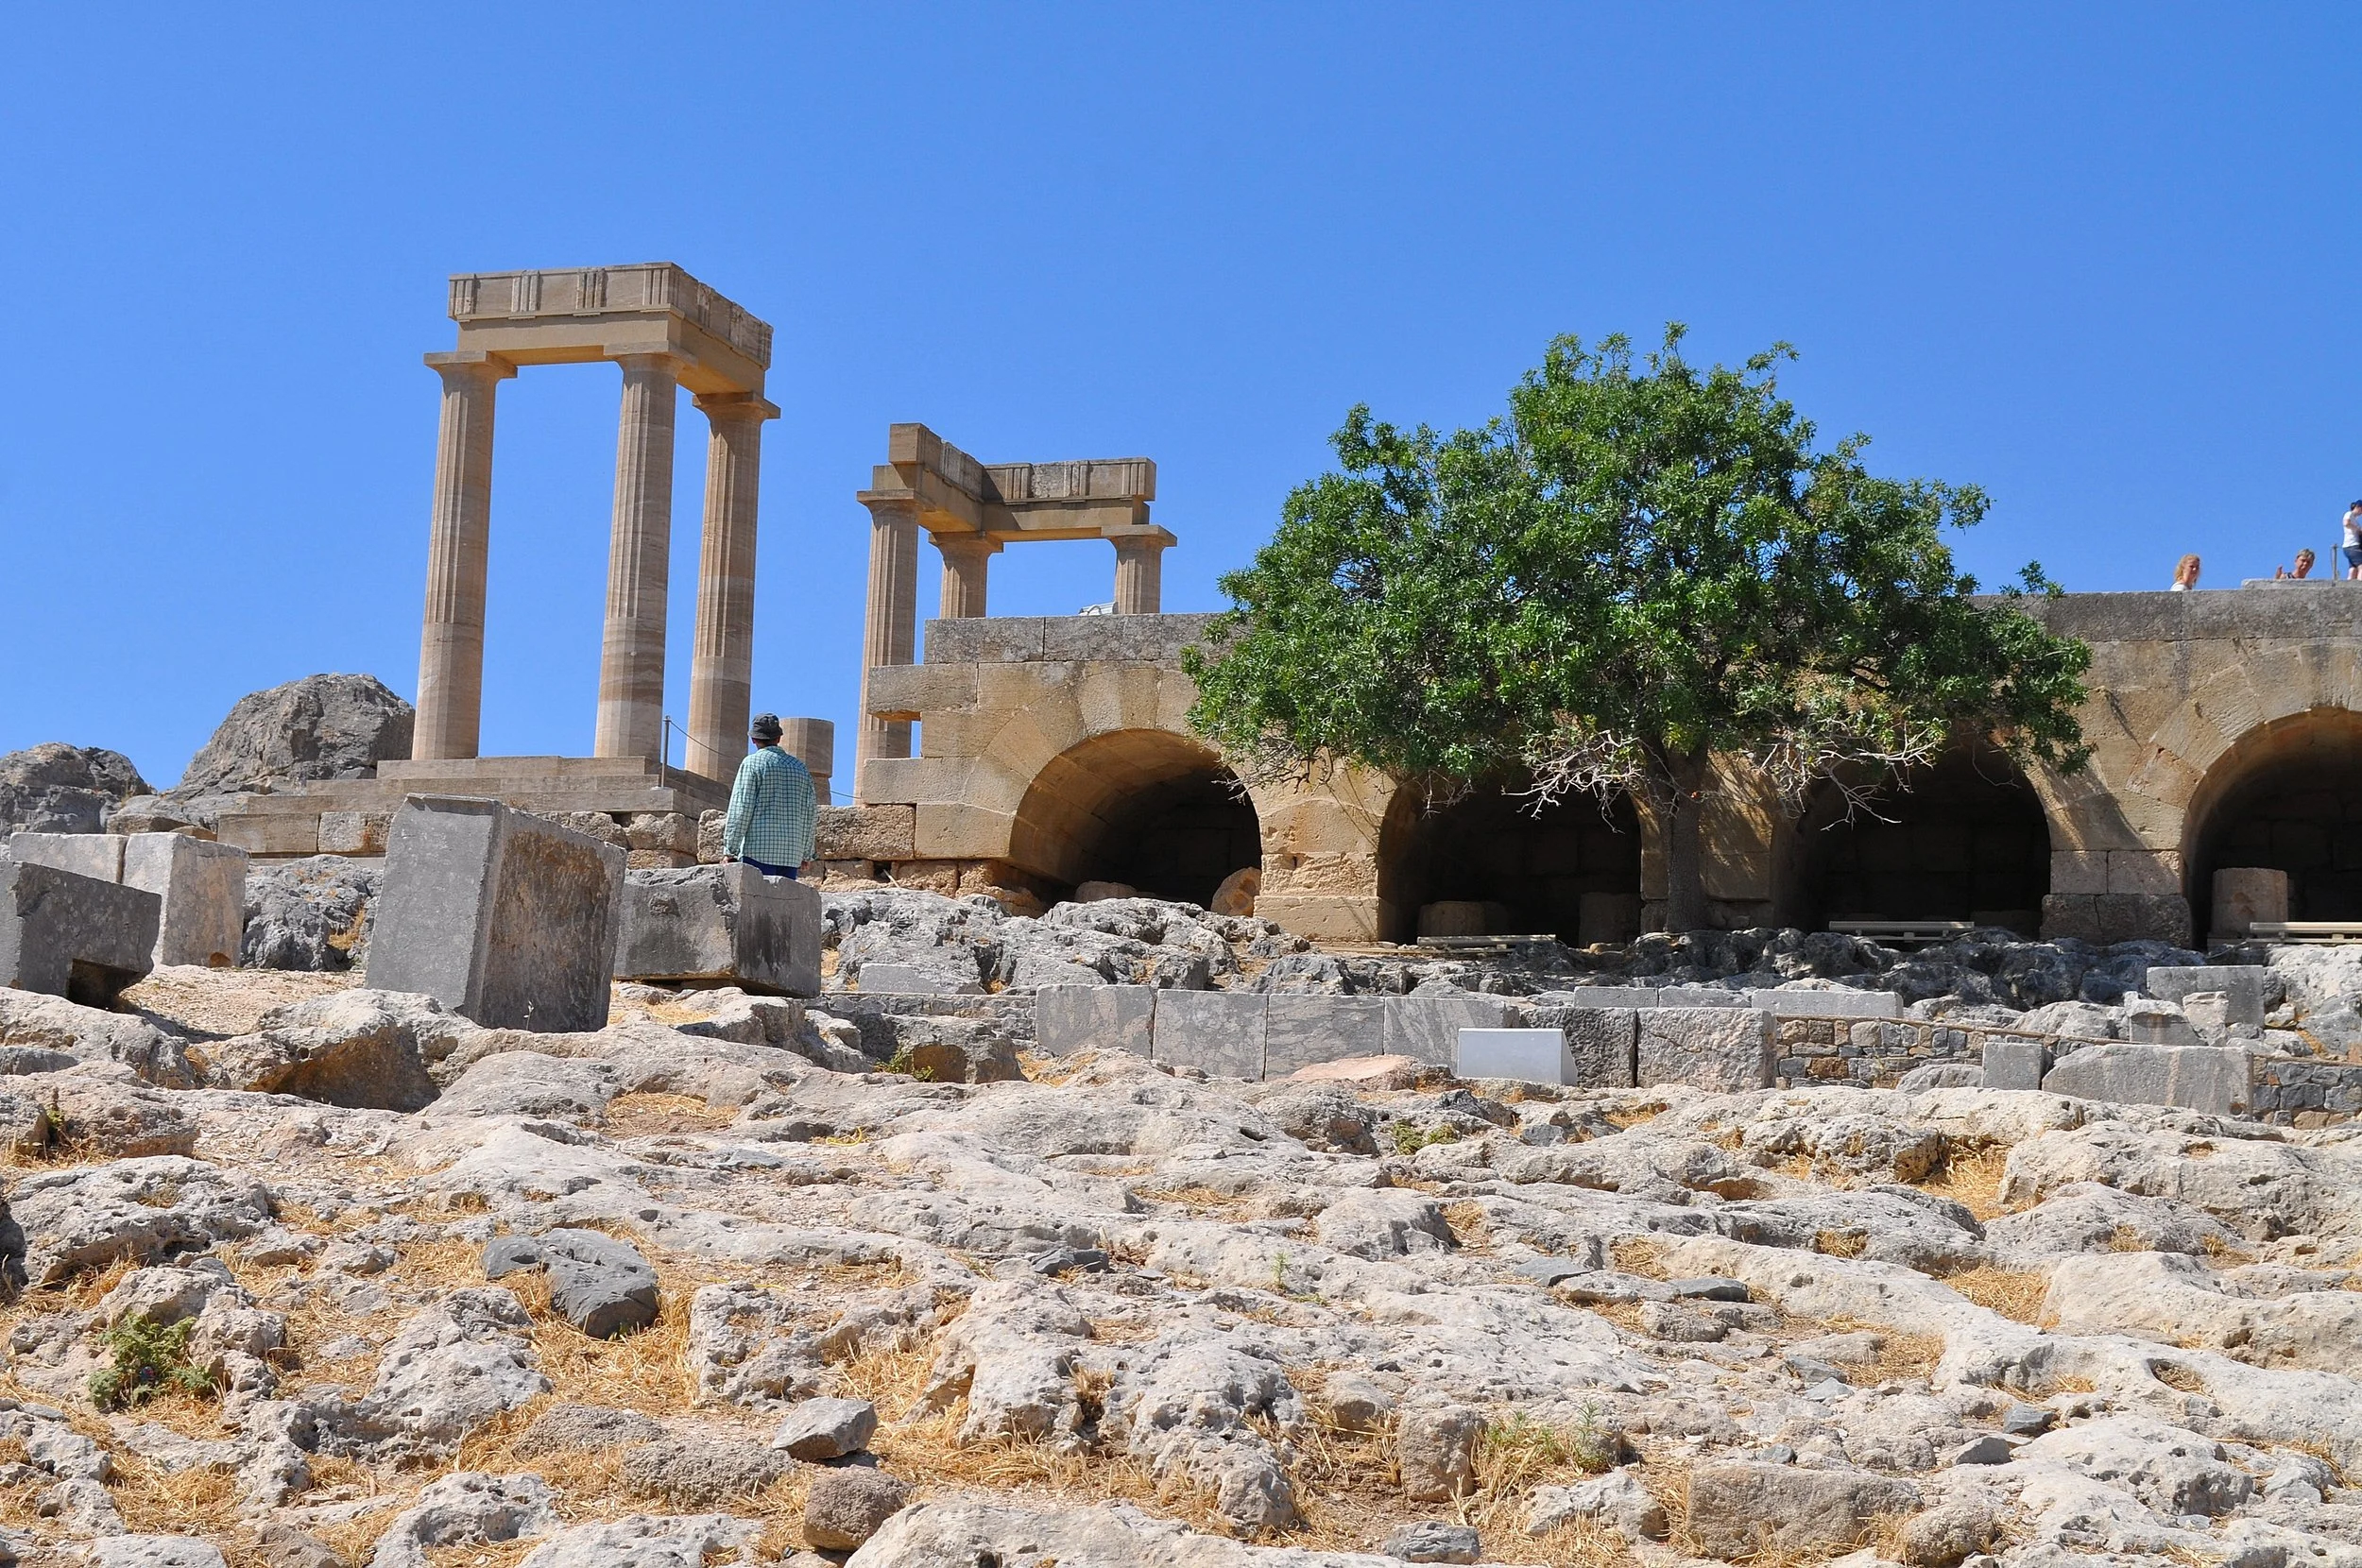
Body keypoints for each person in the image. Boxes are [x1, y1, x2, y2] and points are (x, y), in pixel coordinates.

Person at [723, 712, 816, 878]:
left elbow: (741, 808)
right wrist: (806, 853)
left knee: (755, 901)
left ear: (753, 739)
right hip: (791, 854)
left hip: (756, 852)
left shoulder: (752, 763)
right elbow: (810, 814)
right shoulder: (801, 768)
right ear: (779, 738)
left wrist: (730, 849)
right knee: (784, 902)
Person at [2345, 502, 2362, 580]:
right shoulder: (2349, 514)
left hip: (2349, 547)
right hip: (2353, 545)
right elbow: (2346, 523)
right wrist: (2358, 529)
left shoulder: (2355, 520)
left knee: (2353, 568)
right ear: (2358, 507)